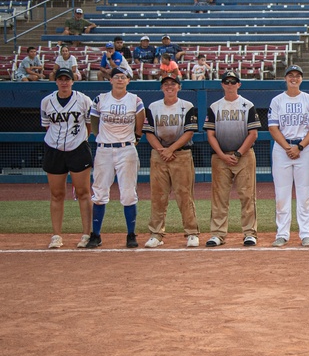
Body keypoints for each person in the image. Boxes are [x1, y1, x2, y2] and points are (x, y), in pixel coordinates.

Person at [87, 67, 145, 248]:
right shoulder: (101, 99)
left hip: (126, 149)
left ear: (128, 80)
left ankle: (131, 234)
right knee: (99, 193)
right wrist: (100, 137)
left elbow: (140, 124)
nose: (120, 80)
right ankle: (95, 235)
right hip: (104, 149)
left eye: (124, 77)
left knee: (128, 193)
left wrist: (135, 139)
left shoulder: (135, 100)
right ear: (110, 80)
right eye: (116, 77)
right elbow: (94, 122)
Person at [268, 65, 309, 247]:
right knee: (281, 194)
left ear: (301, 79)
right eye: (290, 75)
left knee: (304, 193)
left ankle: (306, 233)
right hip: (282, 149)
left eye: (297, 76)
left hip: (304, 148)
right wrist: (287, 147)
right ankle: (282, 234)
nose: (294, 78)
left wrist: (299, 147)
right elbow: (273, 127)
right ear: (285, 78)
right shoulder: (277, 100)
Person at [142, 74, 199, 248]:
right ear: (161, 88)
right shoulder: (153, 107)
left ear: (179, 87)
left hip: (181, 155)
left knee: (184, 195)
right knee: (158, 196)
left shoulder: (187, 106)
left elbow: (189, 132)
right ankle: (156, 234)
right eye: (166, 84)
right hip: (159, 155)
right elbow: (149, 132)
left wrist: (171, 149)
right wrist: (162, 150)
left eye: (173, 84)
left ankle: (191, 232)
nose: (169, 87)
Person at [204, 71, 261, 247]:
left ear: (239, 84)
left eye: (233, 81)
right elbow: (210, 134)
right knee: (219, 196)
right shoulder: (215, 106)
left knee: (247, 195)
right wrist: (222, 155)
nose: (230, 84)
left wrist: (237, 154)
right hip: (220, 156)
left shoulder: (247, 105)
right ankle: (218, 234)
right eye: (227, 82)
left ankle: (249, 233)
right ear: (222, 84)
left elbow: (253, 134)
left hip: (243, 156)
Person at [41, 68, 93, 249]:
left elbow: (89, 125)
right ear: (56, 81)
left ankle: (86, 234)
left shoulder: (83, 100)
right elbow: (47, 126)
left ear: (73, 81)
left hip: (78, 148)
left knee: (83, 192)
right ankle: (56, 235)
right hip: (54, 150)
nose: (64, 82)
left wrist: (78, 140)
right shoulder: (47, 101)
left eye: (67, 79)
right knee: (56, 194)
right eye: (61, 79)